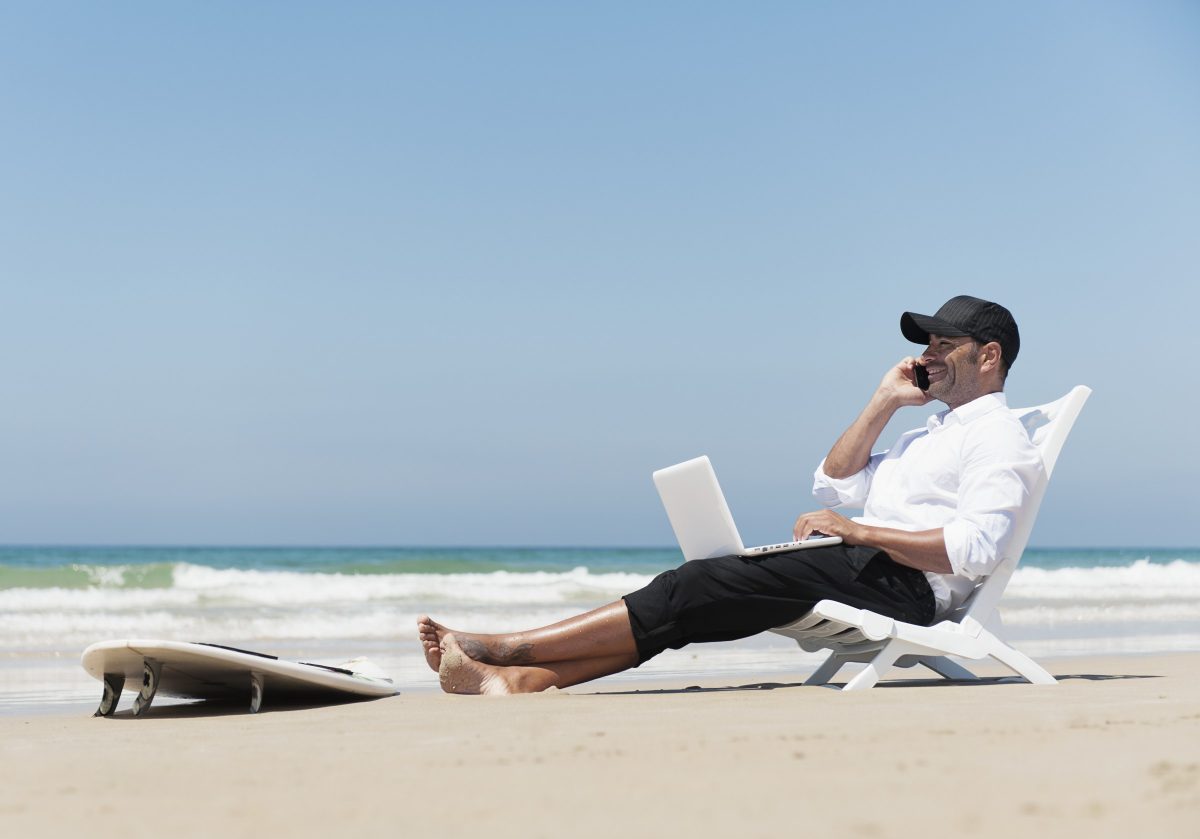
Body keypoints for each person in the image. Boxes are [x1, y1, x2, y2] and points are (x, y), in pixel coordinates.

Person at [418, 295, 1044, 695]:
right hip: (867, 569)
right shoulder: (924, 435)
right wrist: (882, 401)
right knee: (702, 599)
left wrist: (855, 532)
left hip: (906, 589)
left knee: (696, 584)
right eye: (925, 345)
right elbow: (834, 480)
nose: (926, 356)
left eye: (943, 345)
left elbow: (974, 550)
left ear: (988, 357)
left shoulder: (997, 438)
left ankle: (503, 647)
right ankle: (522, 681)